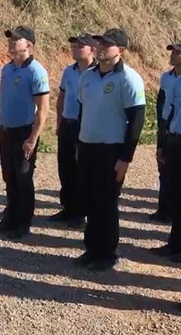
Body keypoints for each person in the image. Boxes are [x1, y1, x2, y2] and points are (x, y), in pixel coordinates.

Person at [74, 28, 146, 271]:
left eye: (108, 43)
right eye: (100, 42)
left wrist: (126, 158)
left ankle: (107, 253)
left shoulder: (128, 78)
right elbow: (83, 112)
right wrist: (79, 143)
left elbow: (136, 120)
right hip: (87, 147)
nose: (101, 46)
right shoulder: (87, 77)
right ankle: (92, 249)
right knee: (90, 200)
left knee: (106, 202)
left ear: (121, 50)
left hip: (111, 150)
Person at [0, 25, 50, 239]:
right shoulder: (7, 69)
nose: (11, 42)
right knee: (9, 176)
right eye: (10, 38)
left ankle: (23, 222)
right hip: (6, 130)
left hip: (24, 132)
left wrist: (32, 138)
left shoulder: (36, 71)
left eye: (16, 39)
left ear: (29, 44)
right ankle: (11, 217)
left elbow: (43, 108)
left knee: (23, 178)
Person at [50, 33, 97, 229]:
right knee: (65, 168)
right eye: (74, 46)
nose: (75, 49)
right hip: (68, 124)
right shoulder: (69, 71)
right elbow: (61, 98)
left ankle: (80, 213)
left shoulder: (97, 73)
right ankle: (68, 208)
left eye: (80, 46)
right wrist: (59, 122)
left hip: (84, 125)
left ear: (92, 49)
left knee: (81, 171)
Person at [149, 43, 181, 223]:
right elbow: (161, 102)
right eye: (173, 52)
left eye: (178, 53)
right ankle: (164, 208)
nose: (173, 55)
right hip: (166, 125)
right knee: (163, 167)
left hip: (177, 127)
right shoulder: (166, 78)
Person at [155, 67, 181, 263]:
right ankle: (175, 243)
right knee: (175, 193)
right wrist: (163, 144)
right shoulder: (178, 82)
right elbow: (168, 113)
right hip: (176, 139)